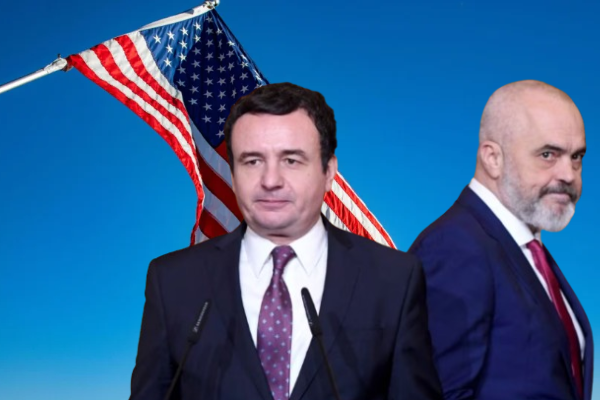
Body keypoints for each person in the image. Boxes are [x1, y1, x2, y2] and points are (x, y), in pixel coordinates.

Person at [130, 82, 442, 400]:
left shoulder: (394, 279)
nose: (270, 181)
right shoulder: (173, 282)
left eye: (291, 160)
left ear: (328, 171)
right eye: (252, 161)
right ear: (233, 174)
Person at [410, 80, 593, 400]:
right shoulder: (454, 247)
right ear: (493, 158)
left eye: (576, 157)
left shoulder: (529, 254)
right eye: (548, 154)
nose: (569, 174)